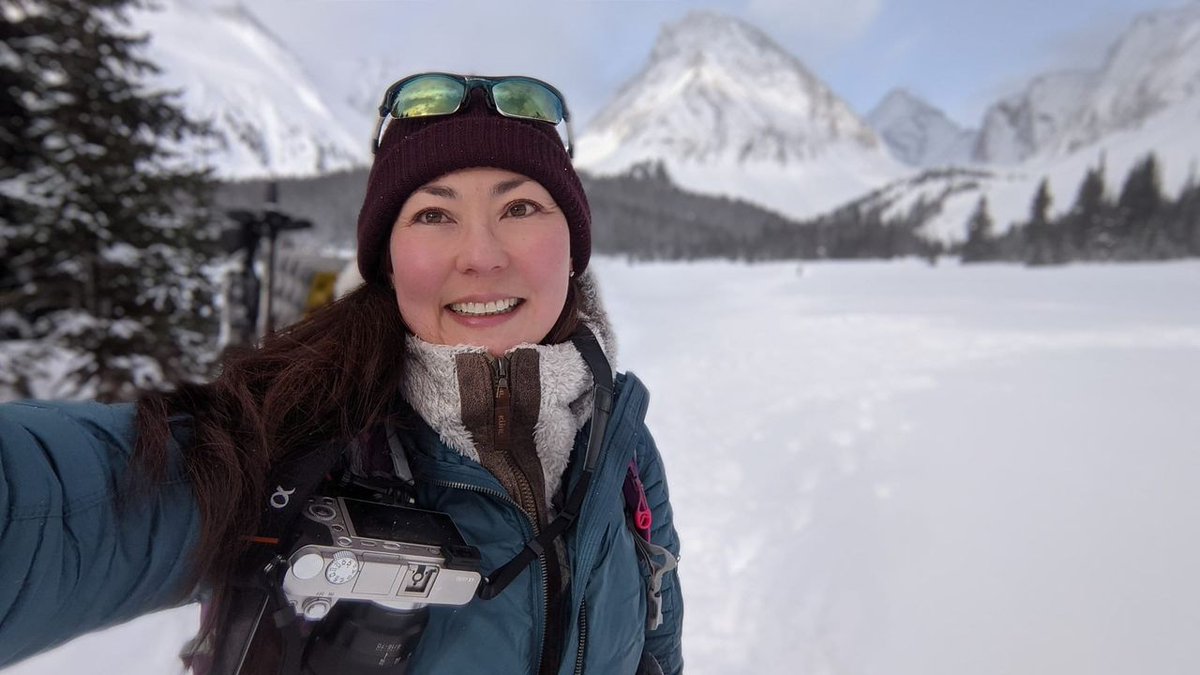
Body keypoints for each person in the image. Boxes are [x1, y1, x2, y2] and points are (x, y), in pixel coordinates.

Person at [0, 73, 683, 674]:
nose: (480, 255)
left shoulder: (622, 453)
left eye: (521, 208)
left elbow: (659, 647)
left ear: (573, 249)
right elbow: (63, 506)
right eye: (434, 214)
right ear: (388, 261)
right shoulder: (287, 449)